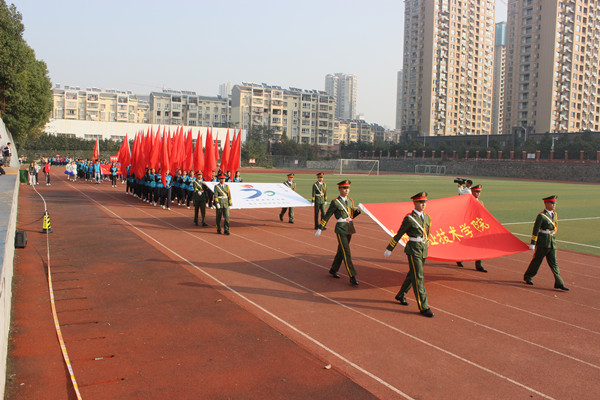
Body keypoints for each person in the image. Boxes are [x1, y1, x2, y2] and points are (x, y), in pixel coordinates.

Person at [383, 192, 434, 318]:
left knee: (413, 274)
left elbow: (427, 234)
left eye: (425, 202)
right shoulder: (409, 219)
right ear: (415, 203)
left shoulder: (427, 218)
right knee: (419, 277)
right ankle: (424, 306)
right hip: (413, 249)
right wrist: (390, 248)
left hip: (423, 249)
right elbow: (399, 234)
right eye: (421, 202)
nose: (423, 205)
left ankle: (401, 295)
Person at [315, 180, 361, 286]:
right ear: (339, 189)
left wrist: (358, 211)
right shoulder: (335, 202)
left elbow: (351, 216)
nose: (346, 190)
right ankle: (352, 276)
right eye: (344, 188)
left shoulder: (350, 201)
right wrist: (320, 227)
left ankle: (333, 269)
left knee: (341, 250)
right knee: (346, 252)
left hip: (349, 227)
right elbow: (328, 215)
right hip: (340, 228)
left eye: (348, 188)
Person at [523, 195, 569, 291]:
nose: (554, 205)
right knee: (537, 261)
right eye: (552, 203)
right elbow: (536, 229)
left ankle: (559, 283)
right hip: (542, 243)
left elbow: (554, 227)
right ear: (547, 204)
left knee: (554, 264)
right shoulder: (541, 216)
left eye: (554, 203)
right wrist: (533, 243)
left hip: (552, 242)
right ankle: (528, 276)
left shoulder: (554, 214)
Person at [456, 185, 488, 272]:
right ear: (472, 192)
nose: (478, 193)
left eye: (479, 192)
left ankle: (478, 265)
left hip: (477, 227)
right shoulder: (467, 201)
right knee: (465, 243)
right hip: (468, 226)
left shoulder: (481, 202)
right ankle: (459, 258)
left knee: (479, 246)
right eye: (476, 192)